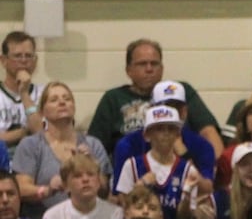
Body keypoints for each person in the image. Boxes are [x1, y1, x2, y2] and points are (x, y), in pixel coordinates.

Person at [88, 39, 222, 158]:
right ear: (128, 70)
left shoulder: (181, 91)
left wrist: (214, 166)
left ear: (162, 68)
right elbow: (95, 147)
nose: (149, 69)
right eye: (142, 64)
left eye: (154, 64)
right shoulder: (113, 98)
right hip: (132, 167)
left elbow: (208, 132)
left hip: (181, 164)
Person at [12, 81, 112, 219]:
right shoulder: (31, 145)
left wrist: (91, 166)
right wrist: (48, 190)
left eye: (67, 99)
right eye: (54, 100)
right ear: (42, 112)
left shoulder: (93, 144)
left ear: (74, 106)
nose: (62, 103)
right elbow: (21, 189)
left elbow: (104, 192)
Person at [111, 80, 217, 194]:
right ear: (150, 110)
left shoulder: (202, 145)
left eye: (177, 108)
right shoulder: (129, 144)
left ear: (185, 112)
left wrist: (184, 154)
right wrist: (141, 185)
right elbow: (118, 197)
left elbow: (207, 191)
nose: (170, 114)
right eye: (165, 107)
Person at [0, 30, 42, 148]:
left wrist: (24, 93)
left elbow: (42, 133)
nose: (24, 61)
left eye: (29, 56)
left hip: (35, 162)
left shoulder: (47, 94)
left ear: (35, 61)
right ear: (3, 61)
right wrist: (25, 131)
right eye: (17, 56)